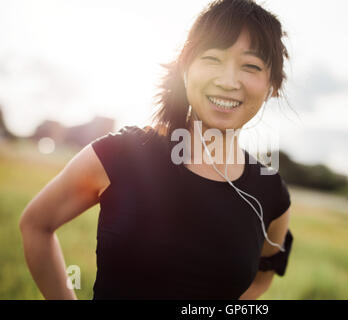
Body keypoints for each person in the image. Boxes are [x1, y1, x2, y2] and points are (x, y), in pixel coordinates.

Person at [19, 0, 293, 300]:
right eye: (212, 58)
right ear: (185, 68)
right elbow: (36, 225)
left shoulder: (271, 192)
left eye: (251, 66)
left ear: (273, 85)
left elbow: (260, 280)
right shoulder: (123, 154)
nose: (228, 81)